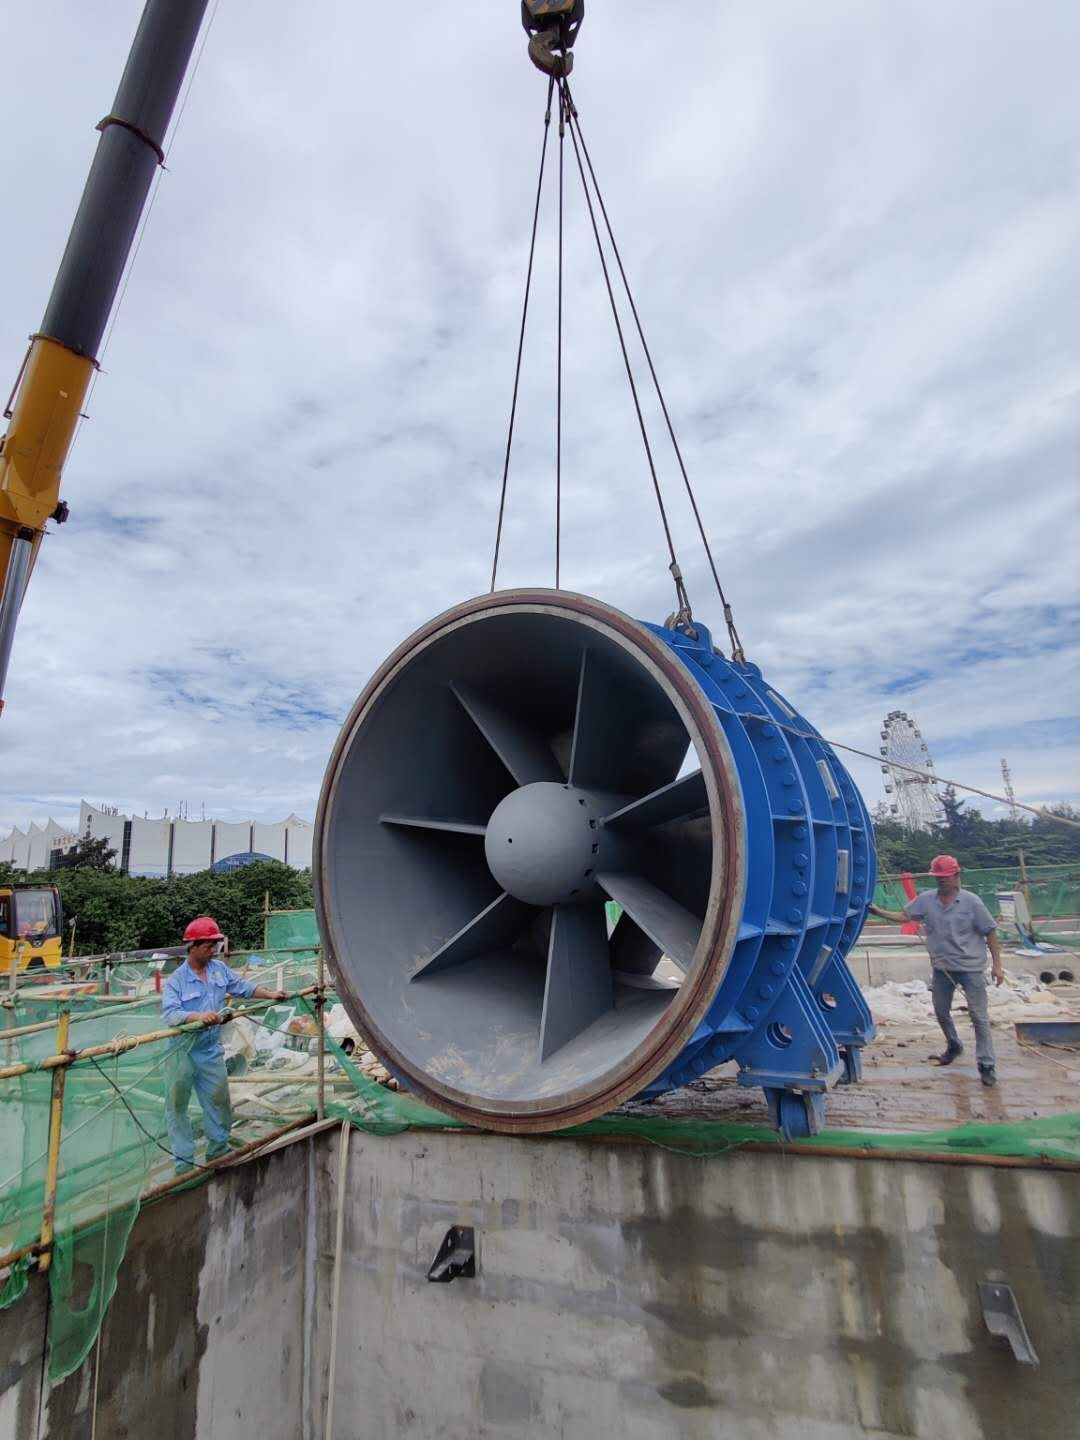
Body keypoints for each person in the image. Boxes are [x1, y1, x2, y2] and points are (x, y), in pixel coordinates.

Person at [162, 915, 287, 1173]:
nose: (213, 951)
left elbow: (243, 987)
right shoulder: (176, 980)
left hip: (209, 1051)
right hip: (181, 1052)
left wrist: (271, 994)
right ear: (193, 946)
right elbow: (171, 1014)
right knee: (177, 1106)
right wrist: (198, 1016)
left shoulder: (219, 970)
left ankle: (218, 1151)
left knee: (218, 1100)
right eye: (208, 946)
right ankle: (183, 1162)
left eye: (215, 945)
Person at [869, 854, 1004, 1086]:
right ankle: (954, 1044)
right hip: (942, 969)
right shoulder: (927, 900)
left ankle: (986, 1064)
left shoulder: (972, 902)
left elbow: (990, 931)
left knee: (979, 1017)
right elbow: (904, 915)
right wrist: (877, 910)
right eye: (938, 877)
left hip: (970, 968)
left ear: (956, 876)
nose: (942, 882)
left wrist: (997, 966)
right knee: (941, 1012)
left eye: (945, 877)